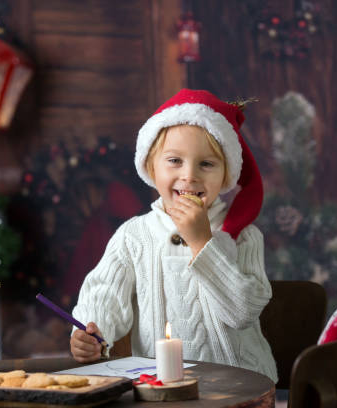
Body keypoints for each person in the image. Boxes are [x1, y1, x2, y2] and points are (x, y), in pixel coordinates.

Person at [70, 89, 278, 383]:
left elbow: (242, 312)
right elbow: (104, 295)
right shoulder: (134, 235)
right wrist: (91, 334)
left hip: (240, 385)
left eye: (206, 164)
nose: (189, 175)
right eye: (174, 161)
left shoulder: (244, 235)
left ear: (226, 174)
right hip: (162, 387)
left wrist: (201, 242)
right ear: (151, 168)